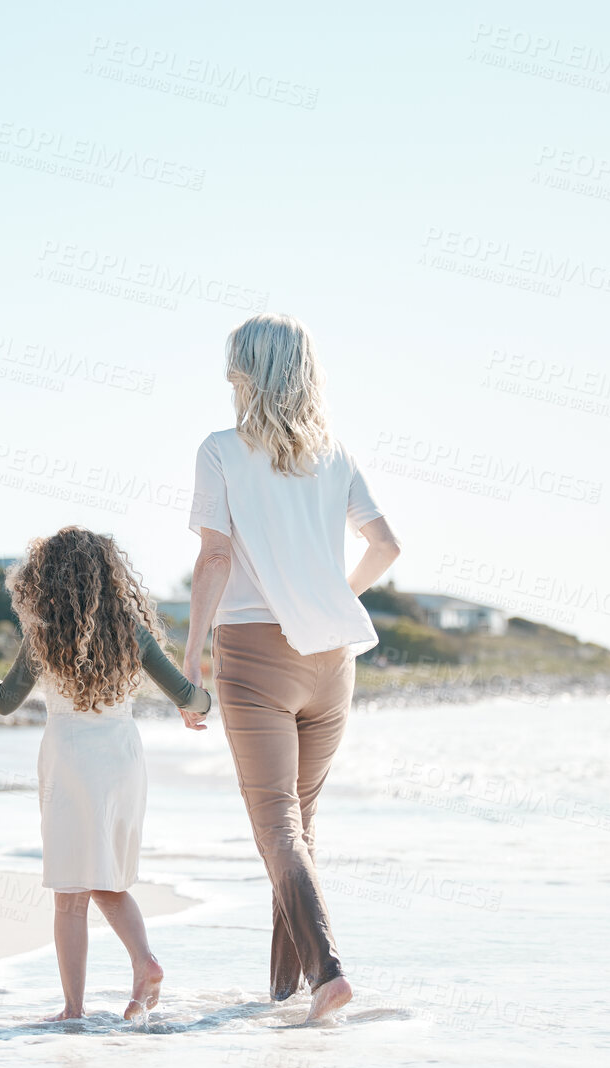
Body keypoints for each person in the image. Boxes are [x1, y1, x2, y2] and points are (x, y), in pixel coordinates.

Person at [182, 313, 402, 1024]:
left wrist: (191, 656)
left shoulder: (219, 451)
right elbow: (386, 545)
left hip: (253, 652)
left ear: (245, 371)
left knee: (276, 825)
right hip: (331, 657)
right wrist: (335, 593)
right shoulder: (333, 454)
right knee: (298, 826)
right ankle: (281, 994)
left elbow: (215, 557)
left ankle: (327, 972)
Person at [0, 528, 210, 1022]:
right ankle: (145, 961)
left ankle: (73, 1009)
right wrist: (197, 694)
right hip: (122, 759)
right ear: (111, 576)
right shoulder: (132, 632)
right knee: (108, 876)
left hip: (71, 759)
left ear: (44, 577)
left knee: (71, 893)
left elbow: (6, 702)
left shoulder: (44, 635)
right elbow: (191, 699)